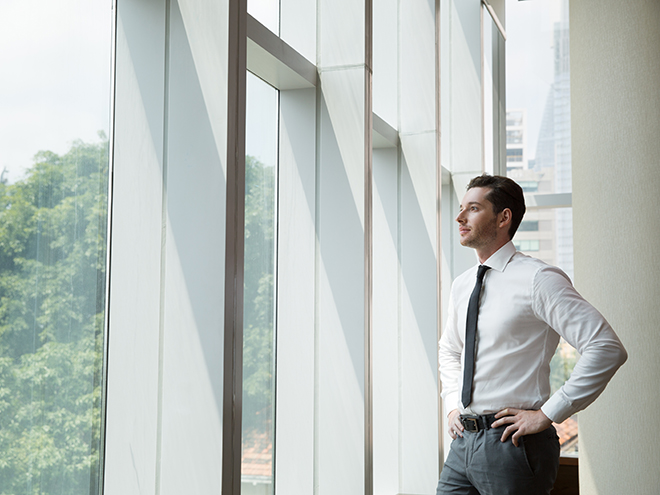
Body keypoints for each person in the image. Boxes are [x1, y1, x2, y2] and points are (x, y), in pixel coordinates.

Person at [437, 174, 627, 495]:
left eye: (473, 208)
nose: (459, 217)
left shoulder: (538, 279)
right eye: (461, 208)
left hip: (513, 446)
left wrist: (548, 414)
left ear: (504, 218)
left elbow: (605, 347)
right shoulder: (463, 284)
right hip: (462, 443)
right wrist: (453, 405)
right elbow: (450, 350)